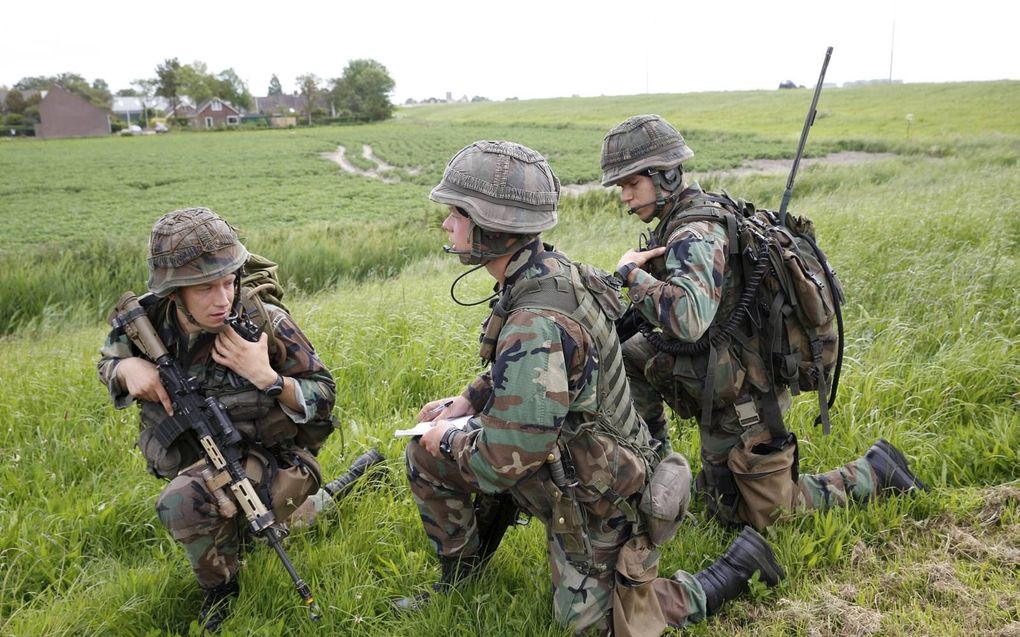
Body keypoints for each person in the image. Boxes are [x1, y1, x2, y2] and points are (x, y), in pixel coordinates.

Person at [399, 140, 786, 636]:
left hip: (601, 493)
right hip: (564, 456)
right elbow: (519, 375)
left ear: (493, 227)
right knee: (424, 452)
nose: (447, 225)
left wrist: (448, 436)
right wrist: (466, 403)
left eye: (456, 213)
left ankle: (731, 571)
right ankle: (461, 574)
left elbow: (504, 457)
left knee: (598, 626)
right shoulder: (544, 273)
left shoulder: (536, 316)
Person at [602, 114, 928, 530]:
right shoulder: (685, 215)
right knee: (630, 355)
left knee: (768, 517)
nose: (625, 197)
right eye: (621, 187)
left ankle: (875, 472)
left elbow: (688, 321)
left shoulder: (694, 231)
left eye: (632, 184)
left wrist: (631, 274)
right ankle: (661, 472)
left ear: (664, 175)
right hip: (720, 367)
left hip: (746, 391)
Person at [97, 207, 337, 631]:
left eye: (228, 282)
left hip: (276, 458)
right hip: (206, 459)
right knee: (209, 502)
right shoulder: (148, 321)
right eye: (205, 288)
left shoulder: (263, 323)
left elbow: (324, 394)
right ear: (175, 294)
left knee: (183, 502)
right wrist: (125, 371)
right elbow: (108, 360)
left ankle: (222, 594)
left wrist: (268, 377)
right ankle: (250, 536)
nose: (222, 298)